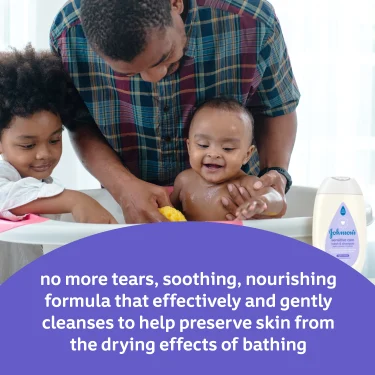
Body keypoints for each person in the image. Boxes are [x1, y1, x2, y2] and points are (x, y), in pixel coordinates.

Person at [50, 0, 300, 224]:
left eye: (165, 57)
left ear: (175, 3)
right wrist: (123, 188)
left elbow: (276, 107)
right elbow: (80, 125)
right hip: (128, 207)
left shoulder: (251, 19)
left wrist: (275, 174)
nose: (154, 77)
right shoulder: (69, 34)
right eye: (130, 74)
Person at [0, 45, 117, 282]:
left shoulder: (43, 183)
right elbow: (8, 197)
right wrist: (75, 200)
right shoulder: (6, 177)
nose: (45, 154)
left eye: (55, 139)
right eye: (28, 145)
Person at [170, 97, 286, 221]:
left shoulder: (245, 185)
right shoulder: (183, 181)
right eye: (203, 145)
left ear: (247, 155)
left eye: (227, 148)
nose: (213, 154)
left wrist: (262, 201)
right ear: (189, 147)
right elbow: (167, 210)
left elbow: (278, 200)